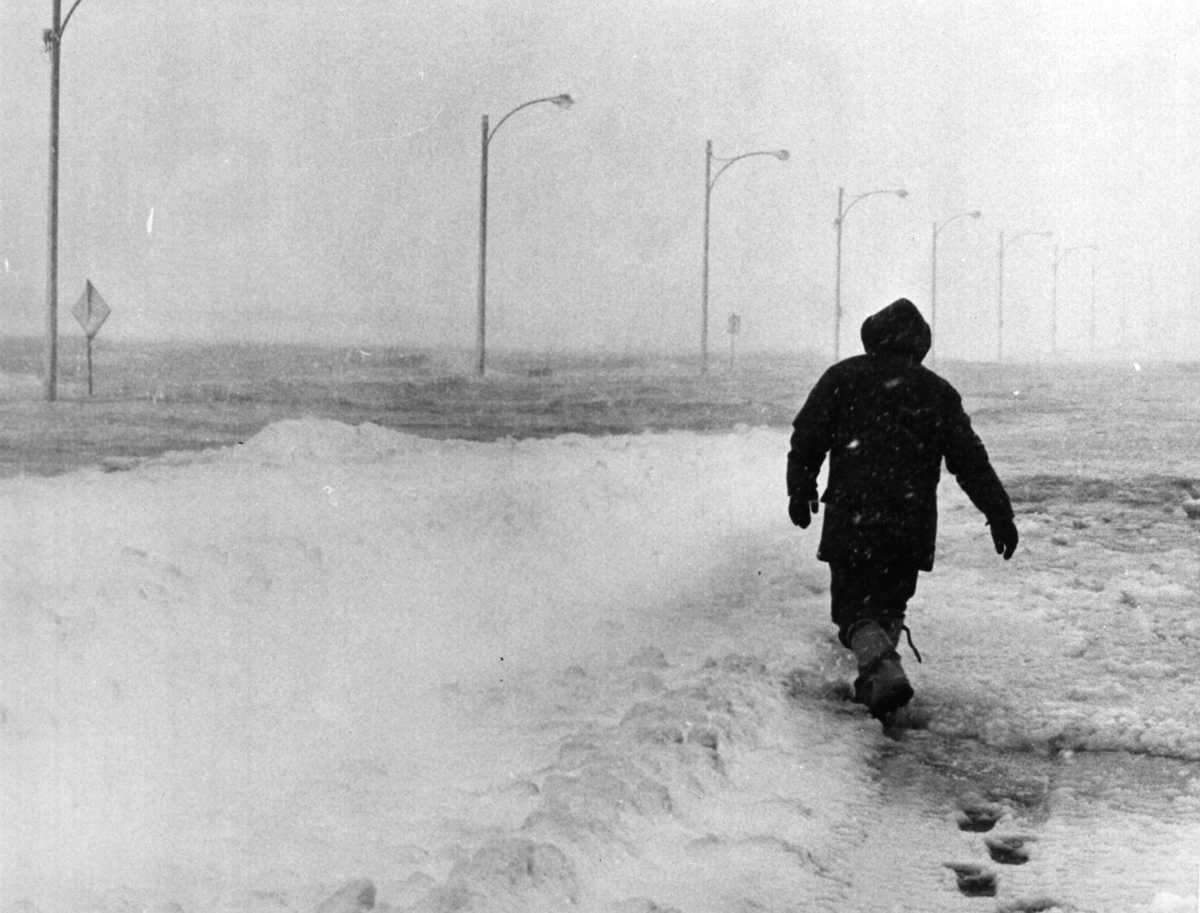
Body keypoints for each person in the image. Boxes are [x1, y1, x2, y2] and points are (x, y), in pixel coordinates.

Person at [787, 297, 1018, 721]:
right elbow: (969, 459)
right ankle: (877, 685)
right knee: (889, 607)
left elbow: (807, 436)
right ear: (920, 346)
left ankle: (881, 671)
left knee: (853, 611)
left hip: (851, 517)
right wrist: (999, 513)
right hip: (907, 524)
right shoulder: (937, 392)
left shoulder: (844, 377)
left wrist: (800, 488)